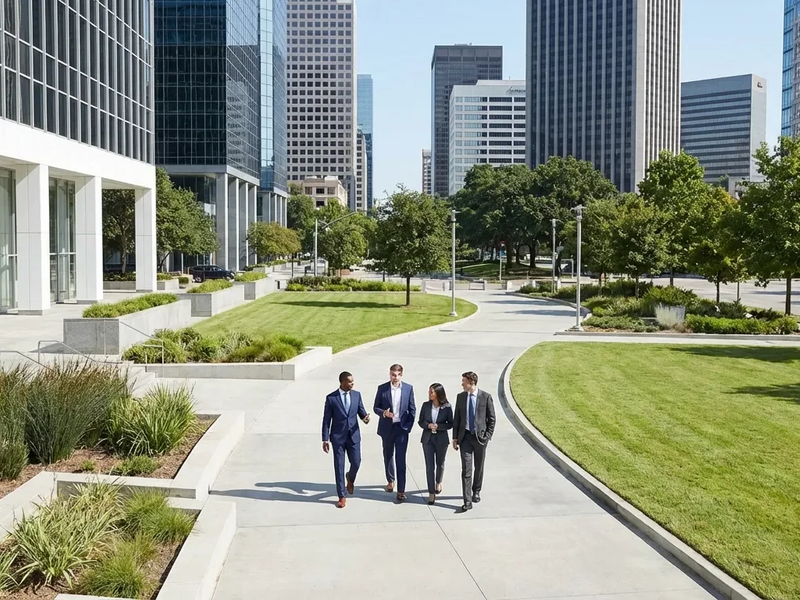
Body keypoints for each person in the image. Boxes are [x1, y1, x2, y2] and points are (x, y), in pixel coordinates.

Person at [322, 371, 370, 509]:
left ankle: (350, 478)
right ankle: (341, 496)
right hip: (338, 438)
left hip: (354, 436)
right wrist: (325, 439)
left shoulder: (357, 395)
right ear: (342, 382)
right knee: (339, 466)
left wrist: (365, 418)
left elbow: (362, 413)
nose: (352, 383)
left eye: (353, 381)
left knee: (356, 462)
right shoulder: (331, 398)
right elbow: (326, 420)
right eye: (349, 381)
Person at [452, 371, 496, 512]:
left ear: (471, 382)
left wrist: (487, 436)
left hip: (480, 438)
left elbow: (492, 419)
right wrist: (455, 438)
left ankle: (476, 490)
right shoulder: (460, 397)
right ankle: (467, 501)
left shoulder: (486, 397)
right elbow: (457, 418)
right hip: (465, 438)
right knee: (466, 469)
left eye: (464, 381)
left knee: (479, 466)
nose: (462, 384)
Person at [373, 364, 416, 502]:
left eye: (397, 375)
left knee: (401, 459)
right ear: (390, 374)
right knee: (388, 455)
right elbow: (376, 407)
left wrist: (408, 427)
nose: (395, 377)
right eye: (392, 374)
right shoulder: (382, 388)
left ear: (401, 375)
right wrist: (384, 413)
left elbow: (412, 409)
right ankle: (390, 480)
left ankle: (401, 490)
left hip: (401, 429)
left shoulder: (408, 388)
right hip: (387, 428)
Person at [418, 383, 454, 505]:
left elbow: (450, 423)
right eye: (429, 391)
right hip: (427, 439)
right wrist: (428, 425)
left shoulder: (447, 407)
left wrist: (439, 426)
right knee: (429, 466)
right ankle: (431, 492)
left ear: (438, 393)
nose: (429, 394)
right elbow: (420, 421)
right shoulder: (426, 405)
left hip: (441, 439)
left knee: (440, 463)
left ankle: (438, 482)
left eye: (431, 392)